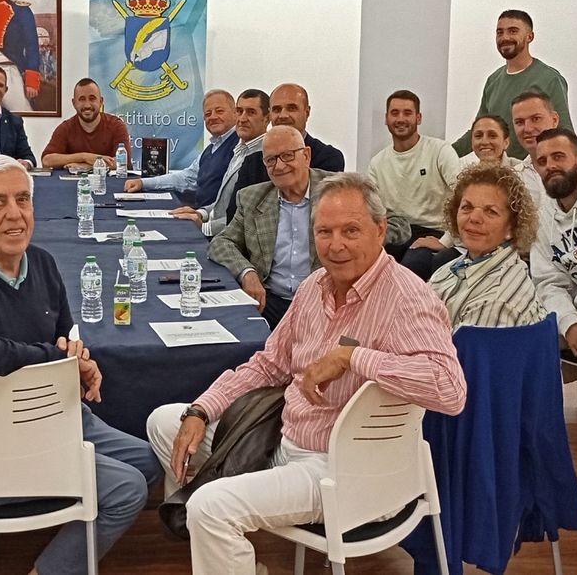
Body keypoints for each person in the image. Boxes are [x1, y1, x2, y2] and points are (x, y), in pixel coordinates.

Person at [146, 172, 466, 575]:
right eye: (324, 232)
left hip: (343, 469)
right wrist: (201, 410)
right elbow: (269, 365)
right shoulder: (315, 285)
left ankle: (222, 543)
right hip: (282, 440)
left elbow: (450, 390)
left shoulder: (407, 298)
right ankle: (229, 559)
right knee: (166, 423)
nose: (336, 245)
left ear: (380, 230)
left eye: (351, 230)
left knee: (211, 507)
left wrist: (353, 357)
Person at [0, 155, 157, 575]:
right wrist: (58, 359)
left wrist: (78, 360)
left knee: (152, 461)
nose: (15, 214)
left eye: (23, 199)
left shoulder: (42, 263)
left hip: (49, 414)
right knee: (128, 488)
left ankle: (67, 525)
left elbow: (65, 339)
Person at [210, 127, 412, 329]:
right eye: (271, 160)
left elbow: (400, 225)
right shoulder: (252, 198)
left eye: (287, 156)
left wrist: (358, 235)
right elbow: (222, 242)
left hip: (329, 300)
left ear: (306, 155)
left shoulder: (337, 191)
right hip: (270, 302)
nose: (279, 166)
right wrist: (247, 273)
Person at [527, 127, 577, 515]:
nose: (550, 166)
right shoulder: (544, 213)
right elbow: (548, 281)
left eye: (558, 157)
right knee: (524, 337)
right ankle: (524, 462)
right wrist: (569, 323)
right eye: (542, 161)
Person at [427, 163, 548, 328]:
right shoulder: (449, 269)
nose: (474, 218)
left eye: (491, 211)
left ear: (512, 227)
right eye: (467, 207)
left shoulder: (498, 301)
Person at [367, 90, 463, 279]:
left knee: (409, 270)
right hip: (397, 231)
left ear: (418, 118)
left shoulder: (440, 151)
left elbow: (464, 195)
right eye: (395, 113)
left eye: (407, 113)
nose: (400, 119)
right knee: (367, 267)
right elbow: (371, 211)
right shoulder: (377, 163)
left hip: (435, 231)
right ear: (386, 119)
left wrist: (445, 241)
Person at [455, 10, 575, 160]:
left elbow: (565, 133)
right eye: (500, 32)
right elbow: (479, 130)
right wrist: (442, 154)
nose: (505, 37)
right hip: (500, 171)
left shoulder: (549, 79)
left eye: (513, 31)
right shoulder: (493, 81)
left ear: (530, 36)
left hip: (535, 170)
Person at [224, 83, 345, 224]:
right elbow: (234, 218)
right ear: (270, 114)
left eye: (291, 108)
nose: (283, 115)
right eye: (277, 109)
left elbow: (323, 215)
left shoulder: (328, 158)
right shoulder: (253, 163)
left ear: (306, 112)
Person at [170, 88, 270, 237]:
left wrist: (205, 228)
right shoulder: (239, 150)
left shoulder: (265, 157)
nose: (242, 118)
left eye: (251, 112)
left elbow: (249, 217)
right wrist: (201, 213)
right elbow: (224, 204)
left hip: (230, 240)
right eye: (239, 111)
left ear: (267, 118)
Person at [125, 89, 239, 208]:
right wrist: (143, 183)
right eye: (208, 114)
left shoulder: (240, 146)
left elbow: (232, 199)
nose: (213, 117)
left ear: (235, 113)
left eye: (219, 111)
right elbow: (186, 178)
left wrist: (203, 214)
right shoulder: (211, 148)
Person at [510, 90, 577, 177]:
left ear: (554, 120)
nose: (528, 129)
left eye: (536, 119)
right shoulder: (515, 178)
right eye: (519, 122)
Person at [41, 78, 132, 170]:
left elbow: (124, 162)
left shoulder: (116, 126)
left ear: (100, 102)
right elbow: (46, 161)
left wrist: (86, 166)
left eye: (92, 99)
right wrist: (84, 157)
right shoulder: (65, 128)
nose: (87, 105)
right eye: (82, 99)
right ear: (74, 103)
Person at [460, 113, 545, 203]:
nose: (484, 142)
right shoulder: (465, 177)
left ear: (506, 142)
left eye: (492, 136)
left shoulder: (522, 173)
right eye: (478, 136)